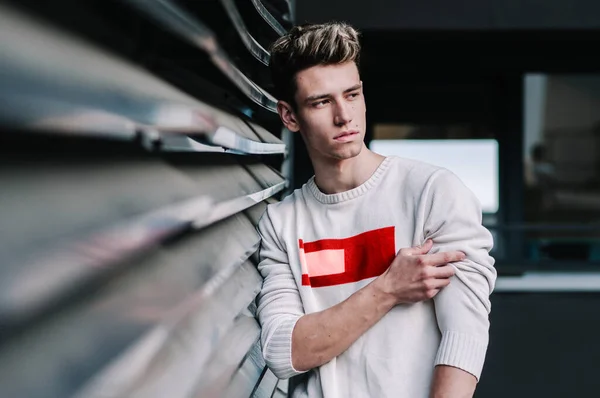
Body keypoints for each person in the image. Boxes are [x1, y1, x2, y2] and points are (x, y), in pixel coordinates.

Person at [256, 22, 496, 398]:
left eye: (351, 95)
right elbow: (284, 351)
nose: (344, 115)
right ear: (289, 116)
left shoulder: (431, 192)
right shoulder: (282, 223)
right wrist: (388, 289)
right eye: (322, 102)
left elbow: (464, 335)